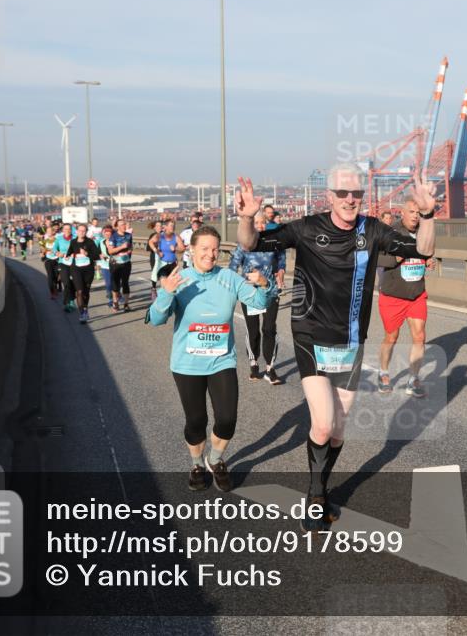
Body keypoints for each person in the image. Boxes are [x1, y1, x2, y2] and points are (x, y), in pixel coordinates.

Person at [235, 163, 436, 532]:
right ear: (329, 196)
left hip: (350, 341)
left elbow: (423, 250)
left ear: (363, 196)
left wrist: (428, 214)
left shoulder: (373, 229)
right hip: (310, 336)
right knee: (323, 424)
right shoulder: (308, 227)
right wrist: (248, 219)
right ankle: (314, 496)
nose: (349, 199)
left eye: (356, 193)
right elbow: (251, 243)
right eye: (342, 193)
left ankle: (322, 488)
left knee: (340, 430)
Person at [147, 225, 276, 492]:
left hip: (221, 361)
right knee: (196, 422)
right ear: (192, 249)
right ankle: (196, 464)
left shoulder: (229, 278)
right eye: (204, 248)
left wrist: (266, 285)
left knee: (227, 418)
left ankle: (215, 460)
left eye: (215, 249)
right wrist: (166, 293)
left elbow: (259, 304)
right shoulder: (180, 279)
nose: (211, 254)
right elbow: (157, 319)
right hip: (187, 364)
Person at [376, 199, 430, 398]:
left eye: (418, 212)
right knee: (392, 337)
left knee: (420, 336)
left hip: (416, 293)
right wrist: (395, 259)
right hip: (393, 295)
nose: (416, 215)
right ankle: (383, 372)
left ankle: (413, 379)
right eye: (412, 211)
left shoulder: (425, 232)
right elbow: (375, 257)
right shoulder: (391, 233)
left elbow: (427, 252)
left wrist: (429, 259)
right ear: (403, 213)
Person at [229, 214, 286, 385]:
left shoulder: (272, 243)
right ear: (251, 225)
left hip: (270, 290)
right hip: (249, 293)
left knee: (269, 329)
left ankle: (270, 368)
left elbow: (281, 258)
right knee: (253, 331)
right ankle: (254, 363)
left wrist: (281, 271)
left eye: (263, 223)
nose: (260, 226)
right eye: (257, 223)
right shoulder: (244, 245)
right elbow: (232, 267)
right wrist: (235, 287)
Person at [67, 223, 102, 324]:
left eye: (83, 231)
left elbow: (96, 256)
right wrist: (66, 255)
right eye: (80, 230)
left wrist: (87, 254)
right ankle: (82, 313)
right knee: (79, 291)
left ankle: (85, 308)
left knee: (86, 291)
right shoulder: (73, 242)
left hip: (88, 270)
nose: (81, 232)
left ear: (86, 232)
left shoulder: (90, 242)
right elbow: (69, 252)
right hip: (76, 269)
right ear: (76, 231)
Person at [149, 221, 185, 301]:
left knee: (174, 286)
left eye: (174, 225)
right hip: (163, 264)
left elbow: (182, 248)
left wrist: (175, 248)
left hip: (172, 264)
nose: (173, 227)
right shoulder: (160, 236)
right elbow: (150, 242)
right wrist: (157, 251)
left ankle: (171, 300)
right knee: (164, 285)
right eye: (171, 225)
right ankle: (163, 300)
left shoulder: (176, 237)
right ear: (165, 227)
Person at [108, 219, 134, 312]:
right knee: (116, 284)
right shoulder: (113, 237)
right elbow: (110, 251)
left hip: (126, 263)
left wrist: (129, 251)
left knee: (125, 283)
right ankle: (115, 302)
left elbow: (130, 247)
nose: (124, 226)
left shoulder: (129, 235)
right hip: (115, 263)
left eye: (124, 224)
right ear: (118, 227)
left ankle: (126, 304)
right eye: (122, 225)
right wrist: (122, 247)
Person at [53, 223, 77, 312]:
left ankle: (72, 298)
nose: (67, 230)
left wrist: (74, 254)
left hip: (74, 263)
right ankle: (68, 302)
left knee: (74, 283)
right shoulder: (59, 239)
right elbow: (54, 249)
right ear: (62, 230)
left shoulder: (75, 238)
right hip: (63, 263)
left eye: (69, 229)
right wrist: (58, 253)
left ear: (71, 230)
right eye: (65, 229)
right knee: (66, 283)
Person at [41, 224, 60, 300]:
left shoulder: (58, 240)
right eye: (47, 231)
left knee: (56, 276)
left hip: (57, 260)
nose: (49, 232)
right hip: (48, 260)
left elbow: (60, 249)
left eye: (50, 231)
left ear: (53, 232)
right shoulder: (44, 241)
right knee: (50, 276)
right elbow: (42, 249)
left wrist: (56, 251)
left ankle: (55, 286)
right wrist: (43, 252)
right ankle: (52, 292)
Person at [96, 224, 114, 309]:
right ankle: (110, 299)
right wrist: (100, 255)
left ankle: (118, 295)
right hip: (105, 265)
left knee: (116, 283)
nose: (107, 234)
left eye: (109, 232)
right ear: (103, 233)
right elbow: (98, 252)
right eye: (105, 232)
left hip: (115, 265)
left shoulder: (115, 241)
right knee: (108, 284)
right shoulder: (101, 242)